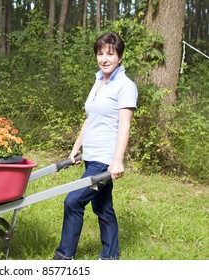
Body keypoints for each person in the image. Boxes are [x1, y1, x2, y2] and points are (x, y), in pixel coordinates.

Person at [53, 31, 138, 260]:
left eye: (110, 54)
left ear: (120, 56)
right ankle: (111, 257)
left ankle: (63, 258)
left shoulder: (125, 86)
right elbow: (90, 118)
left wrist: (117, 161)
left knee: (73, 201)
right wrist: (76, 147)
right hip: (92, 156)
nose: (104, 59)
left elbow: (125, 126)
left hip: (104, 160)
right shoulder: (99, 81)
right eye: (100, 54)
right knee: (102, 207)